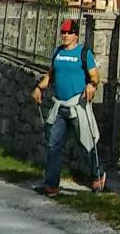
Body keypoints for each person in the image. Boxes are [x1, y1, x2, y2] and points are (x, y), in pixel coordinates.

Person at [30, 17, 105, 196]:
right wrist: (39, 88)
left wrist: (91, 85)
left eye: (68, 33)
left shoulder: (84, 53)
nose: (64, 35)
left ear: (76, 35)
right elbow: (51, 76)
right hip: (60, 107)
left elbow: (95, 76)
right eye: (63, 32)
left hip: (78, 106)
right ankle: (51, 186)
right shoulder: (58, 52)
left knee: (87, 144)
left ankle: (98, 176)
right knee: (53, 145)